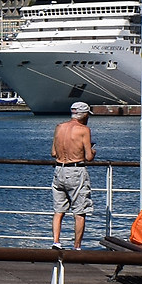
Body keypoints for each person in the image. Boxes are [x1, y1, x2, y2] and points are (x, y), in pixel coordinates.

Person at [50, 101, 96, 249]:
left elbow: (53, 153)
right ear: (84, 115)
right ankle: (77, 247)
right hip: (76, 171)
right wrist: (93, 151)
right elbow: (88, 157)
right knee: (80, 212)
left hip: (59, 170)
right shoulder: (84, 130)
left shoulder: (59, 127)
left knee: (58, 210)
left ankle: (56, 242)